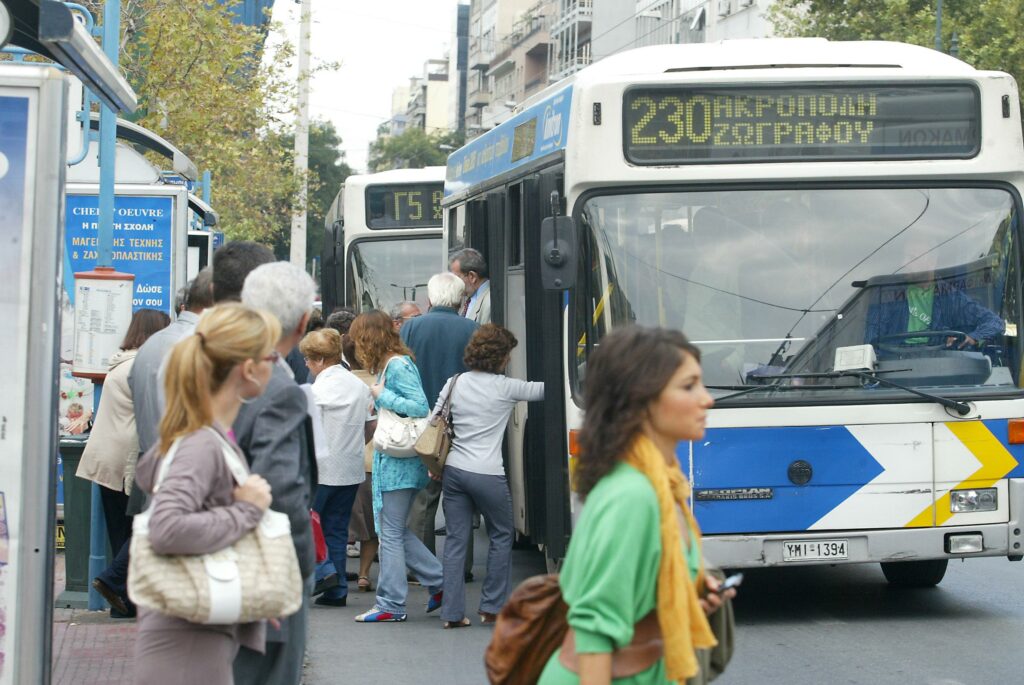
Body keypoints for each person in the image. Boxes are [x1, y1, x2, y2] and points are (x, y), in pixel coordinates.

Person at [538, 326, 735, 684]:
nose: (707, 399)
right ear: (641, 399)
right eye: (689, 386)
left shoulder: (662, 482)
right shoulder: (633, 495)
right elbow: (594, 631)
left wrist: (689, 593)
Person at [132, 303, 280, 685]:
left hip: (191, 636)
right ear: (248, 369)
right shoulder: (203, 442)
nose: (276, 363)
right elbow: (167, 527)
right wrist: (246, 510)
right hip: (188, 644)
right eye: (271, 355)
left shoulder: (203, 436)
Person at [233, 262, 318, 685]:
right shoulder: (277, 387)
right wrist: (303, 569)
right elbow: (281, 491)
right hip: (266, 576)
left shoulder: (211, 366)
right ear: (303, 322)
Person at [437, 324, 543, 629]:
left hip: (455, 470)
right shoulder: (506, 387)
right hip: (488, 473)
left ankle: (452, 613)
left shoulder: (455, 382)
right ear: (501, 357)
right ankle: (492, 607)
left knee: (456, 541)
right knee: (500, 535)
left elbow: (435, 420)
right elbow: (546, 389)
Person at [348, 310, 443, 623]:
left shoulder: (396, 366)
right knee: (392, 529)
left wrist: (381, 395)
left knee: (389, 531)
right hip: (396, 461)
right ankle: (437, 580)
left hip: (397, 462)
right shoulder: (396, 362)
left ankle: (391, 603)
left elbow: (419, 407)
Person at [78, 308, 170, 618]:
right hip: (129, 458)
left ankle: (124, 604)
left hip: (105, 458)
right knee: (145, 524)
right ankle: (114, 583)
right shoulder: (142, 367)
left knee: (121, 530)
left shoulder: (119, 362)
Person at [401, 273, 479, 566]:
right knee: (460, 498)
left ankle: (424, 567)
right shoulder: (472, 329)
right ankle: (462, 566)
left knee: (423, 498)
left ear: (430, 299)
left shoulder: (411, 329)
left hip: (423, 425)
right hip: (464, 423)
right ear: (461, 300)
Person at [299, 328, 375, 607]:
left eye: (308, 359)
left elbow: (306, 432)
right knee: (337, 529)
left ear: (320, 360)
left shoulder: (315, 391)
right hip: (350, 467)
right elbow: (372, 425)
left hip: (319, 470)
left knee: (308, 524)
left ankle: (326, 571)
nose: (306, 364)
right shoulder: (359, 386)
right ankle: (337, 589)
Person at [865, 245, 1004, 351]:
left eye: (911, 257)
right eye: (904, 257)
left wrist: (973, 337)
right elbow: (871, 340)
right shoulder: (888, 293)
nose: (904, 263)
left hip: (935, 368)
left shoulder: (950, 296)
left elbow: (995, 322)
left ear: (931, 262)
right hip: (892, 370)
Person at [342, 333, 380, 593]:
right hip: (373, 461)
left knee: (341, 521)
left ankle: (335, 569)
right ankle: (365, 574)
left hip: (341, 463)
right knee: (372, 527)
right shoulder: (379, 383)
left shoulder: (339, 382)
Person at [450, 247, 491, 323]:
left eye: (456, 278)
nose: (454, 284)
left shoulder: (490, 302)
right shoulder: (466, 300)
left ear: (472, 276)